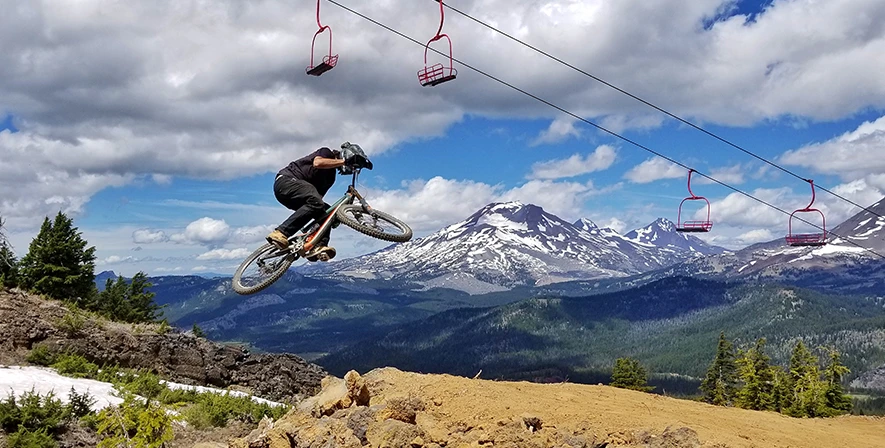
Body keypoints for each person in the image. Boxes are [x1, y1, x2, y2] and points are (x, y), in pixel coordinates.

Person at [265, 146, 369, 262]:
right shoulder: (326, 152)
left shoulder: (330, 178)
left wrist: (328, 220)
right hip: (286, 182)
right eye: (351, 166)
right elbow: (317, 163)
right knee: (317, 203)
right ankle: (280, 232)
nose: (350, 169)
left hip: (297, 195)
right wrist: (344, 161)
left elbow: (318, 200)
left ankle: (317, 246)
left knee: (327, 213)